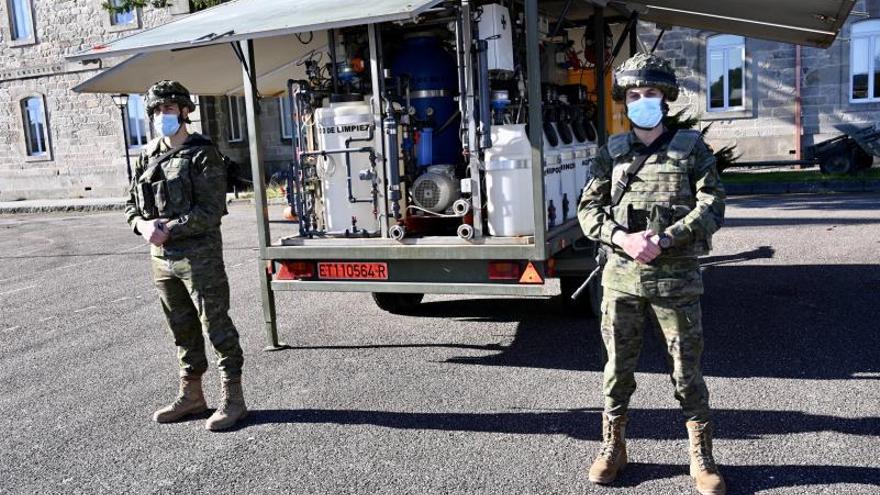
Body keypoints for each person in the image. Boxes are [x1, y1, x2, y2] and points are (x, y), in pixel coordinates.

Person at [577, 54, 726, 495]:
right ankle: (613, 448)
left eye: (652, 94)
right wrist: (623, 239)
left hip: (675, 283)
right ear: (625, 100)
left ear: (666, 99)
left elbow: (713, 205)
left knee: (686, 373)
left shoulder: (691, 149)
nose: (643, 101)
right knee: (617, 371)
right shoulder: (613, 152)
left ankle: (702, 457)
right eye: (635, 95)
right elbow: (588, 209)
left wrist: (664, 239)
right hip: (621, 283)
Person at [124, 80, 247, 431]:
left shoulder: (202, 153)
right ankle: (192, 395)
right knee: (181, 328)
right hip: (161, 258)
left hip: (199, 258)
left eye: (168, 109)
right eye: (157, 110)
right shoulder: (147, 155)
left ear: (183, 111)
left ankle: (233, 399)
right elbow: (131, 204)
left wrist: (169, 228)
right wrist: (142, 227)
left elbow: (211, 210)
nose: (162, 115)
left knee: (216, 326)